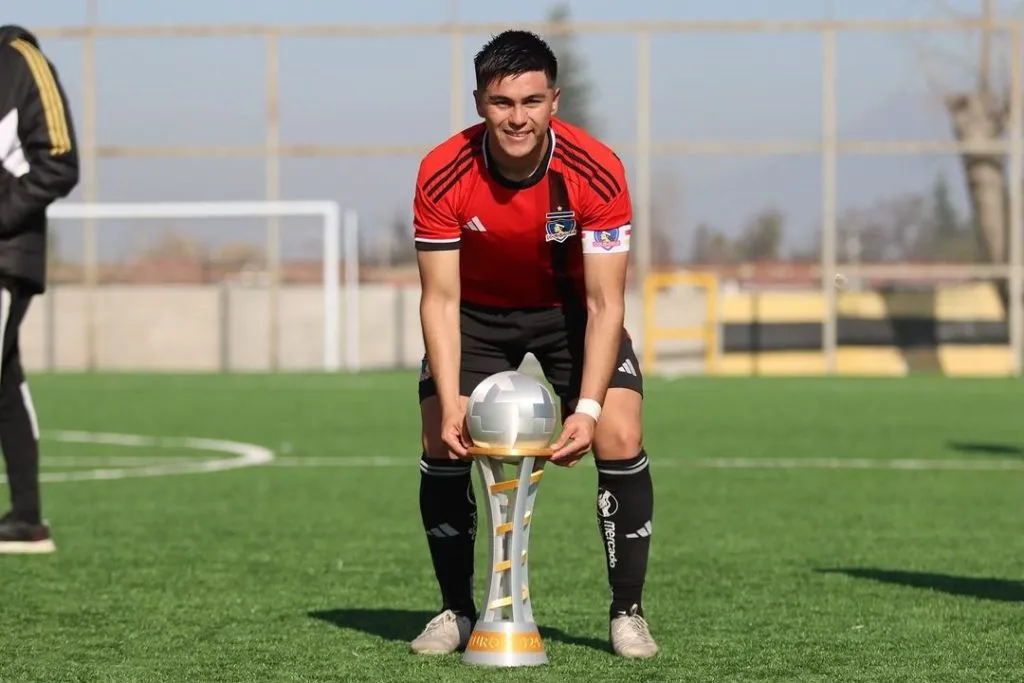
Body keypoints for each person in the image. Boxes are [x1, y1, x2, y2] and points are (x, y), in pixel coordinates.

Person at [411, 30, 657, 659]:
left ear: (554, 100)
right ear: (479, 103)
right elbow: (438, 299)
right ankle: (457, 610)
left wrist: (589, 409)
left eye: (531, 101)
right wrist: (451, 396)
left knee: (620, 434)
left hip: (570, 312)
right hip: (475, 315)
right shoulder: (443, 172)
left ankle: (627, 611)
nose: (516, 117)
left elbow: (606, 303)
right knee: (441, 434)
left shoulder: (596, 171)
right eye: (501, 102)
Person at [0, 25, 79, 553]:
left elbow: (59, 160)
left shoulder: (19, 61)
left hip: (3, 257)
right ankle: (26, 520)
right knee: (5, 380)